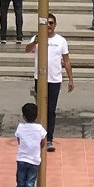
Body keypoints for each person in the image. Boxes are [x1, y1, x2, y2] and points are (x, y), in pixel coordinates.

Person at [25, 12, 73, 149]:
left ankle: (49, 138)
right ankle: (38, 136)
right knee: (40, 109)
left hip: (55, 79)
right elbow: (27, 50)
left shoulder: (61, 41)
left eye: (51, 23)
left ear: (55, 25)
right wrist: (35, 42)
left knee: (51, 110)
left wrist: (70, 79)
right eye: (47, 23)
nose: (49, 26)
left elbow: (67, 60)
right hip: (39, 78)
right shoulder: (37, 37)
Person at [15, 100, 46, 187]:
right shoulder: (40, 129)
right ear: (37, 115)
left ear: (24, 116)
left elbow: (18, 141)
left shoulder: (20, 127)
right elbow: (43, 143)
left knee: (20, 184)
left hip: (21, 159)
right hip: (34, 160)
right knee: (30, 185)